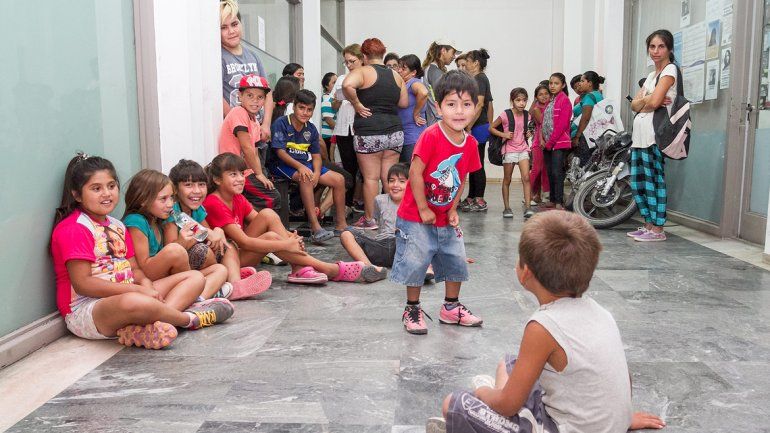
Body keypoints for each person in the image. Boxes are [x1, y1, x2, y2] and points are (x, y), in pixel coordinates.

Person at [427, 211, 666, 433]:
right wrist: (622, 418)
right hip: (604, 421)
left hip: (562, 428)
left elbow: (508, 405)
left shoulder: (542, 327)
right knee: (509, 363)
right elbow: (623, 377)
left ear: (525, 272)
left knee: (455, 404)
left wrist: (484, 393)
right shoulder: (601, 312)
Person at [50, 154, 233, 350]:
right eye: (96, 188)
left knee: (195, 277)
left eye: (111, 186)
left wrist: (147, 286)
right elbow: (83, 284)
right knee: (131, 301)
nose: (106, 193)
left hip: (128, 292)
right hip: (89, 309)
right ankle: (188, 318)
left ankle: (157, 325)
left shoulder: (117, 225)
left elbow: (135, 268)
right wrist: (137, 290)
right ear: (77, 195)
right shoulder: (74, 228)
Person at [392, 70, 484, 335]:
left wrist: (453, 208)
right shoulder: (431, 135)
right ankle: (412, 308)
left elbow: (461, 177)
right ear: (439, 106)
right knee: (416, 261)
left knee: (455, 259)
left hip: (445, 215)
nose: (459, 111)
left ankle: (451, 307)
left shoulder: (470, 144)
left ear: (474, 108)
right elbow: (415, 173)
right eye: (451, 104)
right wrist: (422, 208)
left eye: (466, 105)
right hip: (415, 215)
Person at [203, 153, 385, 284]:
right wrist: (286, 245)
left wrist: (290, 238)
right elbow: (245, 242)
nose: (241, 179)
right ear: (218, 180)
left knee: (270, 220)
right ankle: (328, 268)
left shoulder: (237, 197)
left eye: (242, 174)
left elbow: (264, 221)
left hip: (240, 252)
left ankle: (299, 267)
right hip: (228, 261)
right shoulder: (214, 202)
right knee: (277, 236)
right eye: (233, 174)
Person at [163, 159, 273, 300]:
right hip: (180, 268)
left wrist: (218, 232)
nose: (196, 191)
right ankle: (225, 280)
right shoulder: (173, 213)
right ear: (176, 189)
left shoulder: (197, 210)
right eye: (188, 185)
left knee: (227, 244)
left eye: (201, 185)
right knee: (204, 251)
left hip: (200, 264)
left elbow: (210, 235)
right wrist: (208, 234)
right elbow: (171, 249)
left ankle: (235, 283)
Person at [123, 169, 231, 301]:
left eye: (171, 198)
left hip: (166, 277)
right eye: (163, 199)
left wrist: (216, 231)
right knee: (175, 250)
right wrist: (181, 243)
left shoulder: (160, 218)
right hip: (147, 282)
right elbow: (143, 269)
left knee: (220, 269)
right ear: (143, 200)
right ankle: (192, 296)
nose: (170, 204)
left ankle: (198, 299)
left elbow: (202, 232)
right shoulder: (135, 221)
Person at [342, 37, 408, 230]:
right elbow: (403, 103)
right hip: (394, 132)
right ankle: (392, 219)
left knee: (371, 178)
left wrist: (357, 104)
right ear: (383, 54)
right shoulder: (396, 76)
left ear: (364, 55)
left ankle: (370, 220)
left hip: (369, 132)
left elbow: (347, 85)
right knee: (390, 179)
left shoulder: (362, 71)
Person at [270, 89, 348, 243]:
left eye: (309, 109)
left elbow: (317, 156)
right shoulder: (281, 123)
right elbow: (280, 152)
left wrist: (317, 173)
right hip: (282, 165)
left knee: (339, 179)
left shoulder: (310, 128)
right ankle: (316, 228)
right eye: (301, 108)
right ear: (294, 107)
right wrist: (300, 167)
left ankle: (341, 225)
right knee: (305, 177)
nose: (305, 113)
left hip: (305, 164)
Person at [629, 29, 678, 242]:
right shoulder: (651, 76)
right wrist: (648, 100)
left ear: (669, 49)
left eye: (661, 46)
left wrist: (647, 101)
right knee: (639, 183)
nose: (656, 51)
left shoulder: (670, 71)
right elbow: (634, 105)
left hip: (654, 136)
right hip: (639, 137)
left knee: (654, 181)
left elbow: (655, 103)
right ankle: (648, 224)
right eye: (652, 46)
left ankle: (658, 229)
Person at [219, 74, 279, 211]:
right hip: (232, 170)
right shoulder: (238, 112)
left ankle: (255, 223)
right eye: (250, 95)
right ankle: (256, 225)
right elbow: (246, 148)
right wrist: (258, 174)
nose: (255, 101)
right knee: (272, 197)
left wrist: (259, 173)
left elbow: (255, 152)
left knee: (270, 193)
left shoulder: (255, 121)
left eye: (260, 97)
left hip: (245, 171)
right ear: (240, 96)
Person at [220, 0, 273, 143]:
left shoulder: (253, 56)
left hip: (258, 132)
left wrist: (266, 124)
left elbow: (268, 93)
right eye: (223, 27)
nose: (231, 31)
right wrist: (240, 126)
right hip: (237, 133)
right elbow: (218, 96)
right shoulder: (218, 57)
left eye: (234, 24)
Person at [340, 163, 406, 270]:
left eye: (401, 181)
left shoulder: (415, 202)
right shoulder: (380, 199)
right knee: (346, 233)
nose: (395, 185)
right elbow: (380, 224)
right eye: (391, 180)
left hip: (402, 245)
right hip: (380, 245)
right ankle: (370, 267)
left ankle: (424, 267)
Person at [489, 88, 534, 219]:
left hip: (523, 149)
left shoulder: (527, 115)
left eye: (524, 100)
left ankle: (528, 207)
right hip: (509, 150)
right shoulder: (505, 114)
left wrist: (530, 133)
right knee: (507, 179)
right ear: (512, 101)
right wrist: (503, 134)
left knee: (526, 178)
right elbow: (491, 127)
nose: (522, 103)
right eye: (518, 100)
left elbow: (531, 128)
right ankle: (507, 208)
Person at [459, 49, 493, 213]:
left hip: (478, 126)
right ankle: (471, 197)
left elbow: (479, 105)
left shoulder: (480, 78)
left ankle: (479, 198)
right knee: (473, 163)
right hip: (476, 125)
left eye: (468, 61)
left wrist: (469, 126)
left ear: (476, 63)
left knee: (478, 163)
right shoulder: (478, 79)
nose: (466, 65)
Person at [332, 44, 365, 210]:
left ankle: (362, 201)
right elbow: (334, 105)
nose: (349, 65)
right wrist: (338, 98)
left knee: (364, 168)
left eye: (352, 61)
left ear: (362, 59)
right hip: (343, 128)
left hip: (361, 127)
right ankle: (347, 203)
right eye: (346, 62)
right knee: (348, 166)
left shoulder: (367, 78)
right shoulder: (341, 79)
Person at [541, 72, 572, 210]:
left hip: (558, 143)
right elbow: (545, 122)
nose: (552, 86)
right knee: (550, 172)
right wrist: (543, 139)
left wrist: (550, 142)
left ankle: (559, 201)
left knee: (557, 172)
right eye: (551, 83)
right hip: (548, 143)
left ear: (563, 85)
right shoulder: (551, 100)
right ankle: (553, 199)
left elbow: (562, 125)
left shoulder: (564, 100)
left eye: (556, 83)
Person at [397, 54, 428, 164]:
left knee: (411, 172)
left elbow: (424, 93)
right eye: (399, 67)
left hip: (413, 136)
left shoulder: (413, 82)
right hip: (404, 136)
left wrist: (416, 113)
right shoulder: (403, 83)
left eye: (403, 68)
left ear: (413, 72)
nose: (399, 70)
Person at [422, 39, 461, 125]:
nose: (454, 56)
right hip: (438, 122)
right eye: (453, 53)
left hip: (435, 121)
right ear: (443, 51)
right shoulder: (435, 72)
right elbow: (440, 99)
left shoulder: (431, 69)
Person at [572, 71, 606, 165]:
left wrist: (577, 136)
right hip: (595, 136)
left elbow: (586, 118)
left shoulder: (589, 97)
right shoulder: (598, 94)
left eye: (582, 81)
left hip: (586, 137)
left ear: (590, 83)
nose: (580, 83)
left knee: (584, 165)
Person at [528, 84, 550, 205]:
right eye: (540, 94)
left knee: (545, 169)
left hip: (549, 141)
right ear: (536, 97)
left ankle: (543, 195)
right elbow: (543, 124)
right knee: (537, 169)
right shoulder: (537, 109)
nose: (544, 96)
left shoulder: (551, 106)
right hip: (539, 141)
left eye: (546, 94)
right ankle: (528, 194)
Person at [320, 72, 338, 158]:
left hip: (331, 136)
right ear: (327, 86)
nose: (337, 84)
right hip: (328, 137)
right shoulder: (327, 99)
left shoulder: (333, 98)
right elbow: (329, 120)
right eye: (334, 82)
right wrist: (342, 131)